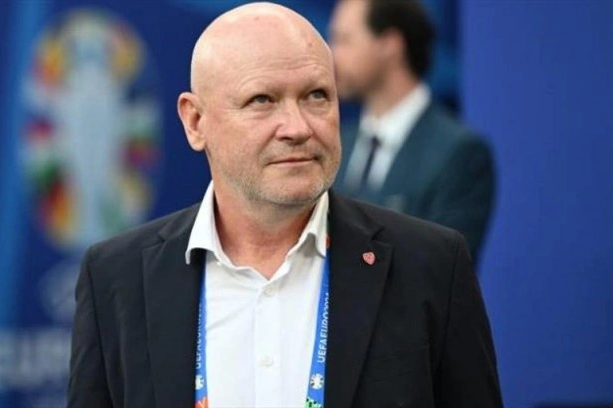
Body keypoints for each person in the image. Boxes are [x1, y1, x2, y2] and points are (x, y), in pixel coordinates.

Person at [68, 2, 502, 407]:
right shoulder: (116, 278)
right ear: (196, 121)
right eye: (263, 100)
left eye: (317, 96)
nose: (297, 127)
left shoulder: (430, 266)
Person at [330, 0, 496, 261]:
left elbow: (442, 267)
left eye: (344, 40)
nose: (332, 56)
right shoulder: (336, 144)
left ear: (390, 45)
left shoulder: (459, 153)